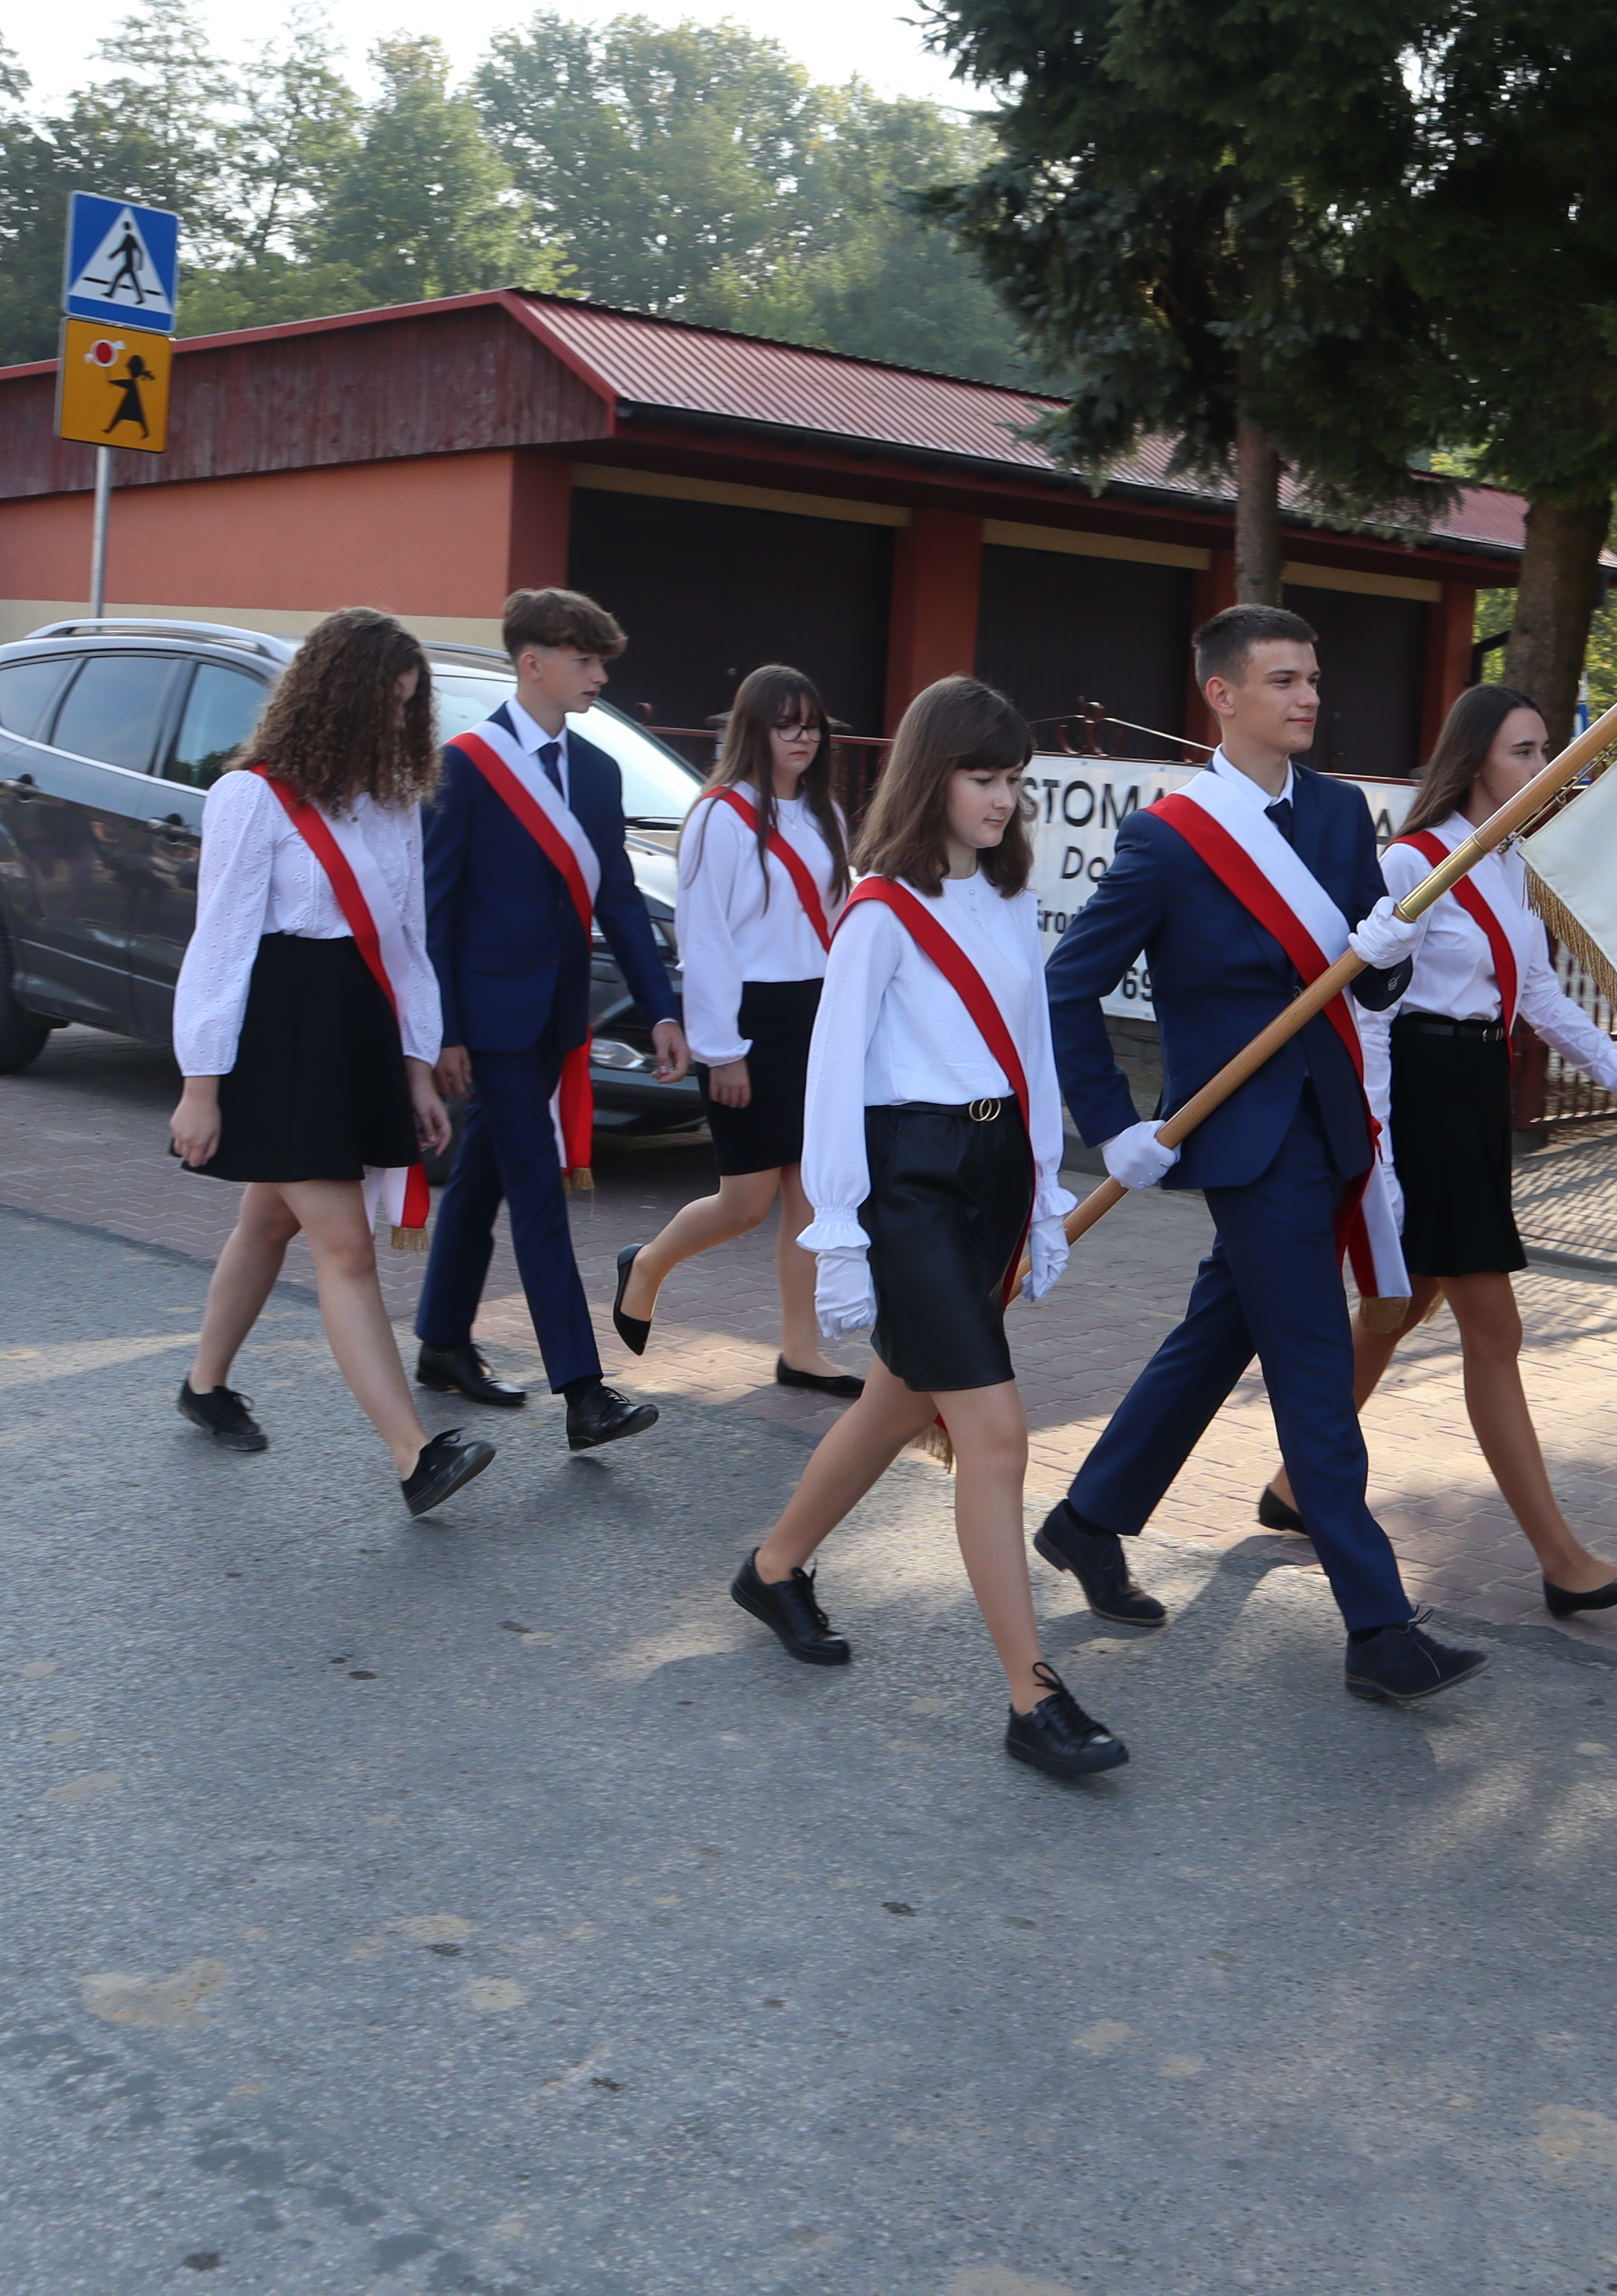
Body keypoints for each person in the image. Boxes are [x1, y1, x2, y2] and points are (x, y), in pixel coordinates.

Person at [1042, 603, 1489, 1706]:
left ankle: (1087, 1518)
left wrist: (1388, 951)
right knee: (1313, 1369)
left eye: (1313, 681)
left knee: (1219, 1334)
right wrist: (1113, 1126)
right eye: (1284, 680)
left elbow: (1369, 980)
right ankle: (1377, 1627)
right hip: (1246, 1142)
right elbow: (1067, 986)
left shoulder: (1336, 813)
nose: (1308, 698)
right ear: (1222, 695)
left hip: (1330, 1120)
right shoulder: (1168, 839)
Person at [728, 677, 1117, 1775]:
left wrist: (1044, 1192)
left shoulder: (1007, 895)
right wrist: (840, 1234)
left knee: (900, 1401)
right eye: (982, 778)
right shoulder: (879, 909)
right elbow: (832, 1078)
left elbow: (1031, 1052)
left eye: (1013, 781)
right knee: (995, 1436)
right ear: (932, 775)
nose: (1002, 800)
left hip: (991, 1178)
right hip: (913, 1186)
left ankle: (773, 1569)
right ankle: (1032, 1698)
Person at [1253, 684, 1617, 1615]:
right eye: (1525, 751)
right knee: (1496, 1332)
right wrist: (1381, 1155)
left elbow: (1540, 998)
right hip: (1427, 1098)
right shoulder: (1415, 860)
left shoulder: (1509, 861)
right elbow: (1370, 1017)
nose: (1544, 767)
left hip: (1476, 1093)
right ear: (1476, 757)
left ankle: (1295, 1484)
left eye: (1545, 750)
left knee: (1401, 1306)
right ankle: (1562, 1560)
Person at [167, 610, 493, 1517]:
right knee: (345, 1245)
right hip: (281, 1031)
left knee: (270, 1218)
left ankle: (203, 1385)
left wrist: (417, 1068)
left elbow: (409, 944)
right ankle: (415, 1454)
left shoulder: (393, 804)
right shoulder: (251, 797)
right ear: (335, 696)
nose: (398, 721)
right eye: (385, 703)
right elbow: (221, 946)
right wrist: (200, 1087)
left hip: (356, 1026)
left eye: (409, 706)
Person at [410, 587, 690, 1451]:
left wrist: (661, 1010)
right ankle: (583, 1390)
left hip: (557, 1019)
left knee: (485, 1174)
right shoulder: (464, 765)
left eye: (602, 660)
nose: (600, 675)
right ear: (532, 663)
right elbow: (435, 908)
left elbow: (619, 901)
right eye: (585, 659)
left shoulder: (597, 771)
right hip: (489, 1021)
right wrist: (444, 1031)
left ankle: (442, 1341)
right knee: (538, 1192)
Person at [611, 662, 863, 1396]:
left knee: (810, 1195)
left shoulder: (826, 814)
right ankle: (648, 1263)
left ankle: (800, 1351)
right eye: (787, 725)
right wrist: (722, 1050)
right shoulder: (718, 816)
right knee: (745, 1202)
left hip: (816, 1013)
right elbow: (707, 939)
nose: (803, 739)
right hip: (748, 1019)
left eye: (812, 726)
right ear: (755, 729)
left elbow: (841, 921)